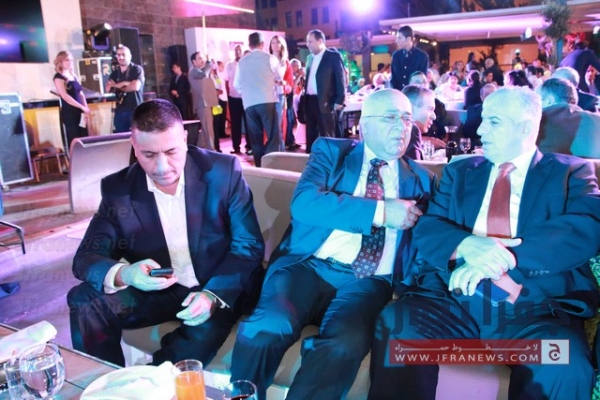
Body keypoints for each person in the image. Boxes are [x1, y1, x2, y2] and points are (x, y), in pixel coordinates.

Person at [368, 86, 600, 400]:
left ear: (525, 128)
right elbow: (429, 226)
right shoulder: (461, 171)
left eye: (493, 121)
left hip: (532, 312)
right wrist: (467, 245)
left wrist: (499, 257)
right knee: (398, 328)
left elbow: (584, 228)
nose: (479, 130)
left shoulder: (571, 172)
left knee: (564, 363)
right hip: (453, 302)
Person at [230, 89, 437, 400]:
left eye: (407, 119)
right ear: (364, 125)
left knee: (344, 343)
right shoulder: (331, 152)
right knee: (268, 327)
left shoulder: (423, 179)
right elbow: (304, 204)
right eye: (390, 118)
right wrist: (382, 212)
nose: (401, 127)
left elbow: (433, 238)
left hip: (368, 281)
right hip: (308, 267)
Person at [67, 99, 265, 367]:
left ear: (184, 138)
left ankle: (150, 381)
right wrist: (127, 274)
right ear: (134, 146)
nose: (162, 167)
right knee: (84, 300)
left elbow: (248, 245)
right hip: (160, 290)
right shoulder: (119, 189)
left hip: (215, 287)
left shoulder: (222, 172)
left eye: (172, 152)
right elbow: (86, 257)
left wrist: (212, 295)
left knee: (198, 338)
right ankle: (103, 382)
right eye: (149, 155)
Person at [234, 32, 285, 166]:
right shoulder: (270, 58)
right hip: (267, 100)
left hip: (249, 104)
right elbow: (279, 77)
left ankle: (259, 166)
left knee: (255, 138)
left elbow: (236, 85)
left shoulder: (241, 62)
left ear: (249, 45)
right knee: (273, 135)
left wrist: (247, 92)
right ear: (262, 44)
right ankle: (271, 164)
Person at [303, 29, 346, 153]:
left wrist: (339, 100)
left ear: (320, 41)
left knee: (327, 134)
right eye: (307, 42)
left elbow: (340, 79)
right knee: (310, 134)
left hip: (326, 101)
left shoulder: (333, 56)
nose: (308, 44)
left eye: (310, 41)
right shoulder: (309, 58)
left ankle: (330, 160)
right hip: (310, 101)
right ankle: (311, 158)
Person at [536, 78, 600, 158]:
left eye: (538, 102)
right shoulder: (597, 120)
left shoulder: (539, 121)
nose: (536, 106)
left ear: (549, 101)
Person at [53, 51, 89, 150]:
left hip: (80, 111)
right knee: (74, 138)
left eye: (71, 60)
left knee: (84, 137)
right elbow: (65, 96)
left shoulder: (73, 75)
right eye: (67, 60)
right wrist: (81, 107)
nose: (70, 62)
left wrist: (85, 108)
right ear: (60, 61)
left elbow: (81, 94)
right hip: (70, 112)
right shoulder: (58, 77)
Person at [106, 45, 144, 133]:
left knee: (138, 135)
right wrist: (126, 83)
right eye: (118, 55)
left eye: (123, 54)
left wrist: (117, 86)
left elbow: (135, 87)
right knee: (120, 136)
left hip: (135, 109)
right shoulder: (115, 73)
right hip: (120, 110)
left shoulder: (136, 69)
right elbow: (108, 89)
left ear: (130, 56)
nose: (121, 57)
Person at [189, 51, 219, 151]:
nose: (202, 60)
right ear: (194, 61)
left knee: (205, 128)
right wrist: (208, 63)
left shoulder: (201, 71)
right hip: (202, 103)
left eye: (202, 58)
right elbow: (203, 75)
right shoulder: (194, 71)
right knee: (208, 128)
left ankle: (200, 148)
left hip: (206, 103)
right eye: (199, 58)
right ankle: (211, 150)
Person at [269, 35, 294, 151]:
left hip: (280, 95)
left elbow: (290, 83)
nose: (274, 45)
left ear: (281, 45)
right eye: (273, 42)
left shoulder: (285, 62)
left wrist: (283, 83)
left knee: (279, 123)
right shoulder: (267, 59)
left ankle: (280, 148)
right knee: (269, 123)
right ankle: (271, 148)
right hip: (268, 95)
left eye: (277, 42)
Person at [224, 45, 250, 155]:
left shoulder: (247, 63)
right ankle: (236, 147)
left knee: (249, 122)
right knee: (235, 123)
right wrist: (229, 95)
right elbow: (226, 81)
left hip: (246, 97)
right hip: (233, 98)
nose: (238, 52)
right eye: (236, 50)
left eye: (240, 50)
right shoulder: (229, 65)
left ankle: (249, 146)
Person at [401, 85, 437, 160]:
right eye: (430, 109)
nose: (434, 116)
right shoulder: (412, 130)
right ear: (411, 108)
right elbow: (413, 166)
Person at [390, 25, 429, 91]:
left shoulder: (422, 56)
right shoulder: (396, 55)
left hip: (414, 94)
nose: (396, 41)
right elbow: (393, 78)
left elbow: (422, 80)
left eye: (399, 38)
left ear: (408, 39)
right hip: (398, 94)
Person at [462, 83, 497, 147]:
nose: (490, 98)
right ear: (481, 97)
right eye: (487, 95)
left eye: (493, 95)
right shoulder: (472, 110)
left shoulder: (503, 112)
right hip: (476, 145)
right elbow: (467, 132)